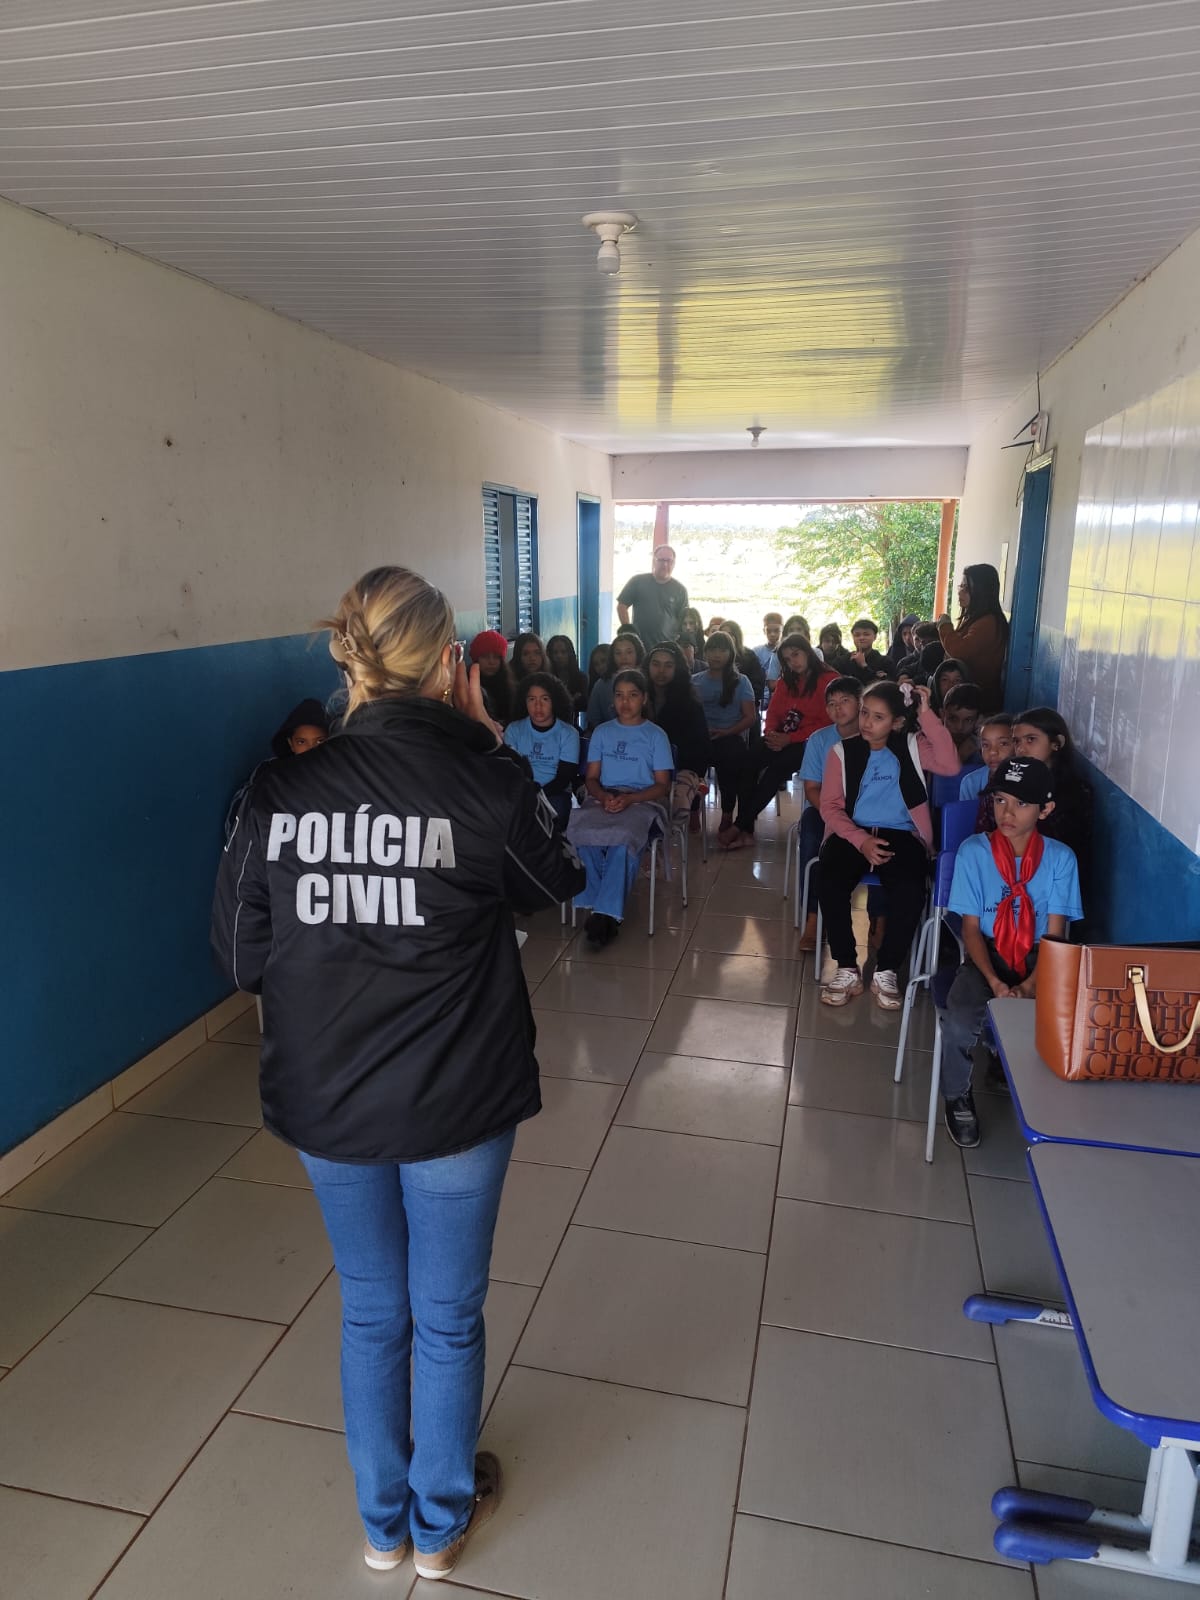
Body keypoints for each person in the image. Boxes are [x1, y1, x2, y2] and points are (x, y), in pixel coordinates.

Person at [211, 566, 585, 1580]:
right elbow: (558, 880)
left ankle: (383, 1524)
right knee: (447, 1312)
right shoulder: (487, 782)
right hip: (458, 1102)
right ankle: (439, 1525)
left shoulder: (277, 789)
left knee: (373, 1307)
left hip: (328, 1103)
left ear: (352, 663)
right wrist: (493, 743)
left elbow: (242, 957)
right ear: (452, 666)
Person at [939, 757, 1082, 1147]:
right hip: (986, 954)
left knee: (1064, 1024)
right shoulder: (973, 852)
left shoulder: (1060, 859)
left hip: (1041, 958)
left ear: (1045, 809)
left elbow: (1056, 938)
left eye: (1021, 804)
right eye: (1000, 801)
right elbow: (969, 929)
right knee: (957, 1023)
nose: (1007, 812)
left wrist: (1029, 986)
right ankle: (956, 1096)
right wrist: (995, 981)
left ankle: (1016, 1071)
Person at [817, 680, 959, 1009]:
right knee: (830, 881)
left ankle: (887, 970)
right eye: (865, 713)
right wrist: (861, 840)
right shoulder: (842, 751)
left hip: (901, 834)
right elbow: (830, 808)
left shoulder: (912, 746)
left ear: (896, 722)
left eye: (878, 717)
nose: (866, 722)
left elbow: (951, 765)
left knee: (910, 888)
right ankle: (847, 967)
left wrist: (926, 714)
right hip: (853, 832)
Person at [567, 668, 672, 946]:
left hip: (642, 800)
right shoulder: (602, 732)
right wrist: (603, 797)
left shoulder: (655, 735)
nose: (625, 702)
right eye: (619, 695)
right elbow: (591, 778)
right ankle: (606, 910)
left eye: (633, 695)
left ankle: (603, 915)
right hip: (603, 797)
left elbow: (662, 786)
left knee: (623, 839)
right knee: (582, 832)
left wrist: (629, 800)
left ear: (644, 699)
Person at [735, 634, 836, 848]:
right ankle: (747, 830)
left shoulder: (828, 679)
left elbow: (827, 722)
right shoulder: (786, 680)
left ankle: (739, 826)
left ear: (808, 652)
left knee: (777, 768)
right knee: (748, 760)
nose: (793, 662)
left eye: (796, 655)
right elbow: (773, 712)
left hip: (812, 742)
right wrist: (772, 734)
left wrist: (790, 738)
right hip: (781, 736)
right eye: (787, 659)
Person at [794, 677, 863, 949]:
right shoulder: (820, 740)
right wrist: (832, 814)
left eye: (845, 701)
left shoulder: (875, 735)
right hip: (825, 809)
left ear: (860, 703)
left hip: (866, 812)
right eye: (831, 704)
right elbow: (812, 788)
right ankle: (813, 916)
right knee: (811, 832)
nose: (838, 708)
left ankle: (879, 919)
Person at [1011, 707, 1093, 897]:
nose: (1021, 749)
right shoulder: (1009, 785)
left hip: (1052, 886)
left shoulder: (1075, 792)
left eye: (1031, 740)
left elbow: (1067, 850)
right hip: (1009, 875)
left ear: (1057, 743)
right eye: (1016, 741)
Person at [646, 641, 709, 827]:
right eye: (656, 664)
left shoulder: (690, 704)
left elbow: (700, 751)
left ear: (677, 669)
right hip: (641, 766)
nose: (661, 671)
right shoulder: (637, 698)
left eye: (668, 665)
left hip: (680, 768)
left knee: (674, 803)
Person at [504, 673, 581, 825]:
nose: (538, 706)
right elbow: (510, 770)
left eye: (545, 699)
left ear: (555, 701)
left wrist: (537, 796)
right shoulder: (514, 730)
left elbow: (564, 778)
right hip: (520, 792)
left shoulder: (568, 733)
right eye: (531, 699)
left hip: (554, 794)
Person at [937, 564, 1010, 711]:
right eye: (960, 587)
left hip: (978, 701)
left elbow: (959, 650)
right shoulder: (974, 617)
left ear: (981, 591)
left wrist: (944, 626)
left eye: (966, 589)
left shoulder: (988, 622)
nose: (960, 593)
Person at [616, 545, 689, 646]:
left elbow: (684, 619)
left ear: (674, 563)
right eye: (661, 560)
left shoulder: (680, 590)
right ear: (654, 561)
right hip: (639, 646)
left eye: (669, 561)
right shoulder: (637, 581)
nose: (665, 564)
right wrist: (628, 631)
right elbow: (622, 606)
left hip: (667, 648)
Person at [960, 712, 1015, 830]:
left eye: (1003, 743)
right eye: (986, 745)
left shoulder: (1027, 781)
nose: (993, 752)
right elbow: (967, 823)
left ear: (1017, 746)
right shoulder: (970, 782)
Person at [586, 631, 646, 727]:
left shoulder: (648, 680)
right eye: (618, 653)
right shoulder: (602, 684)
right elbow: (593, 719)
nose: (624, 657)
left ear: (637, 653)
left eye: (629, 652)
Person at [469, 630, 517, 726]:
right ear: (476, 659)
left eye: (496, 657)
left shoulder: (511, 687)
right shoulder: (468, 687)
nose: (491, 662)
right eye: (485, 657)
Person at [722, 619, 767, 708]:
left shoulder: (749, 656)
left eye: (730, 634)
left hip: (747, 704)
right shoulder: (716, 657)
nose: (726, 638)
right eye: (723, 634)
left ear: (737, 636)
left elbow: (757, 685)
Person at [545, 634, 589, 720]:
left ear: (570, 654)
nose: (559, 656)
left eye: (563, 652)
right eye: (555, 652)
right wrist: (572, 699)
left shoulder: (581, 677)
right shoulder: (544, 678)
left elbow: (583, 705)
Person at [940, 682, 984, 765]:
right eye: (953, 719)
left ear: (978, 720)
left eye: (968, 720)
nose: (960, 727)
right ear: (942, 715)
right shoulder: (928, 743)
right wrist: (960, 756)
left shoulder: (983, 750)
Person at [845, 618, 892, 685]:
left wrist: (864, 666)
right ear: (853, 637)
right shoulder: (843, 661)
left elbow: (886, 685)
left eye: (866, 634)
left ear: (875, 637)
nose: (861, 638)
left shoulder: (885, 661)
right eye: (857, 635)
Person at [755, 613, 784, 689]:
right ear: (764, 631)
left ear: (782, 630)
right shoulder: (755, 652)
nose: (772, 634)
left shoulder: (786, 652)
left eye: (776, 630)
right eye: (769, 631)